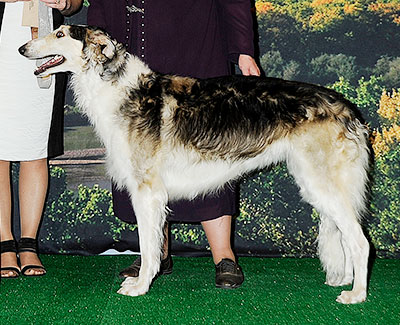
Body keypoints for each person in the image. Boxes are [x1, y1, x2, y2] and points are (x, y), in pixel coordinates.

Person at [87, 0, 260, 288]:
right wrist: (95, 42)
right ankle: (155, 254)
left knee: (208, 152)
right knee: (144, 164)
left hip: (195, 46)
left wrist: (243, 49)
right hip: (129, 52)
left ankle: (224, 256)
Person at [0, 0, 82, 278]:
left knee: (35, 146)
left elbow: (75, 4)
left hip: (43, 44)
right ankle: (4, 244)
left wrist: (65, 2)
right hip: (3, 41)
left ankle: (28, 244)